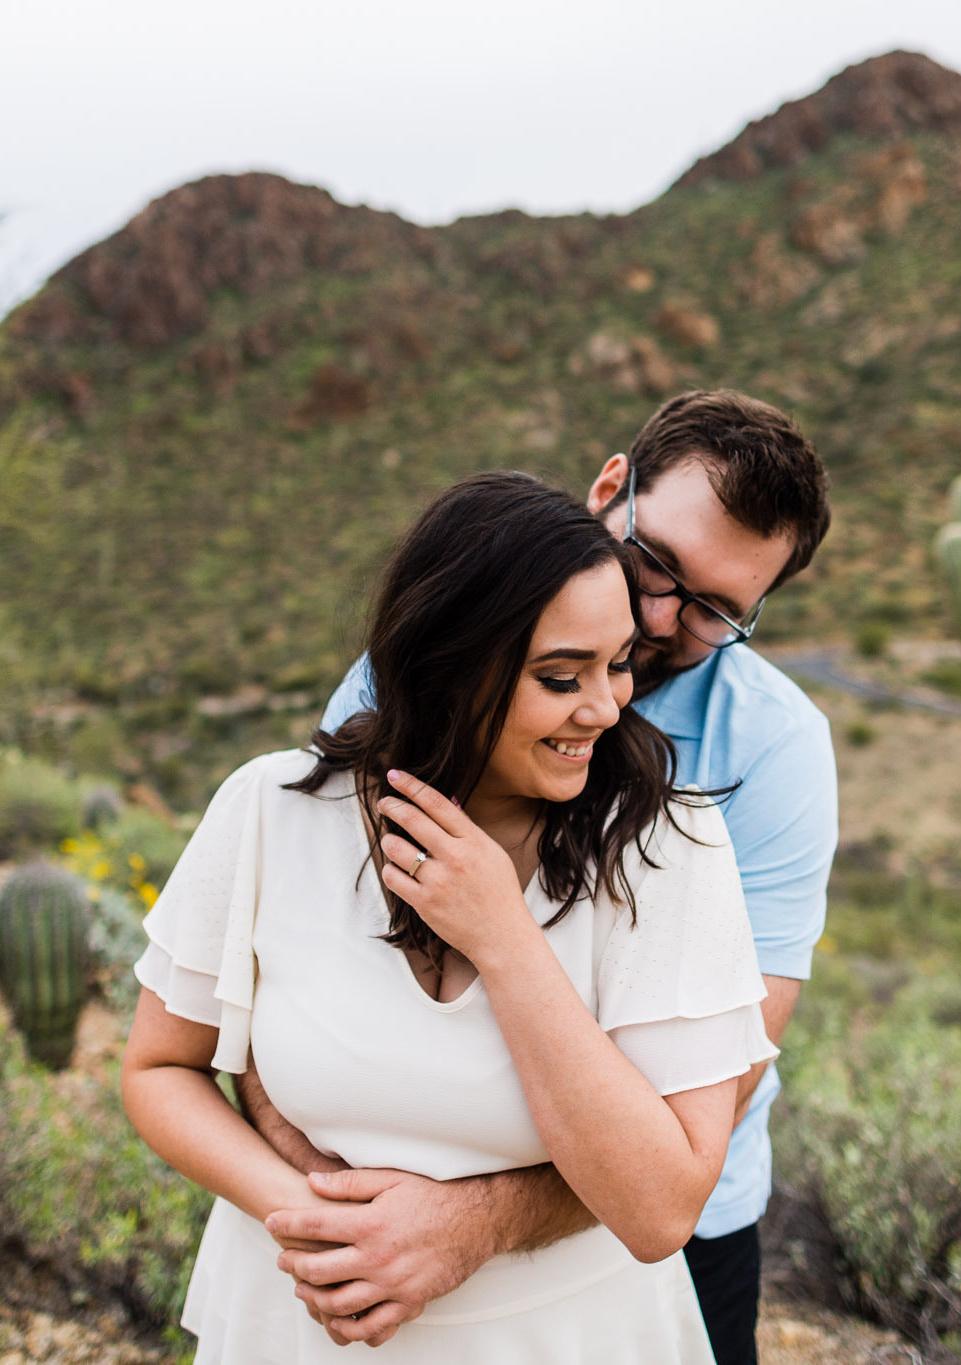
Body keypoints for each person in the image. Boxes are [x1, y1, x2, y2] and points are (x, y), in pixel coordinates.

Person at [121, 470, 783, 1362]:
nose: (604, 706)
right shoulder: (270, 808)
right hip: (298, 1329)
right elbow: (163, 1066)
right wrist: (315, 1218)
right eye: (561, 675)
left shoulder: (671, 848)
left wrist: (503, 936)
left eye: (618, 662)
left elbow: (663, 1205)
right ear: (450, 663)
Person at [246, 389, 837, 1365]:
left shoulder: (770, 751)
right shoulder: (413, 676)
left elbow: (717, 1090)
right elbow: (298, 953)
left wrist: (470, 1221)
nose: (656, 619)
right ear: (609, 486)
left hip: (654, 1239)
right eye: (653, 565)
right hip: (376, 1206)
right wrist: (327, 1200)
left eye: (712, 613)